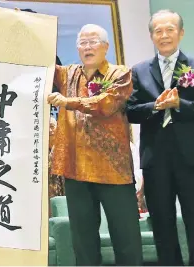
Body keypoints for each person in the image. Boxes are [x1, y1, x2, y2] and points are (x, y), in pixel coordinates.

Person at [48, 24, 142, 265]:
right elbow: (38, 61)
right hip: (76, 170)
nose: (87, 47)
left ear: (105, 47)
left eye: (93, 42)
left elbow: (106, 104)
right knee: (83, 244)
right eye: (83, 43)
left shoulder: (120, 73)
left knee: (127, 241)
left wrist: (69, 102)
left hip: (113, 171)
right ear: (77, 48)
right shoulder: (67, 74)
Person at [127, 9, 194, 266]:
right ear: (152, 36)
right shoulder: (140, 70)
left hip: (190, 158)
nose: (164, 35)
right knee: (163, 224)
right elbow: (130, 112)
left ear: (181, 33)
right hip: (156, 160)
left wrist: (180, 105)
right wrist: (155, 106)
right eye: (158, 31)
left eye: (170, 29)